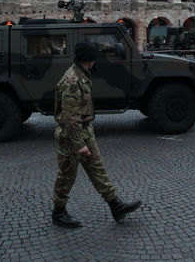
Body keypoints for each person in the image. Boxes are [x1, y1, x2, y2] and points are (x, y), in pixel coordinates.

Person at [51, 41, 141, 228]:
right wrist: (79, 144)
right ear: (88, 59)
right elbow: (70, 117)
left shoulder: (82, 75)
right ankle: (58, 212)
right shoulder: (72, 81)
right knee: (67, 175)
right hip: (72, 136)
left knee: (97, 169)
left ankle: (116, 205)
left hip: (84, 131)